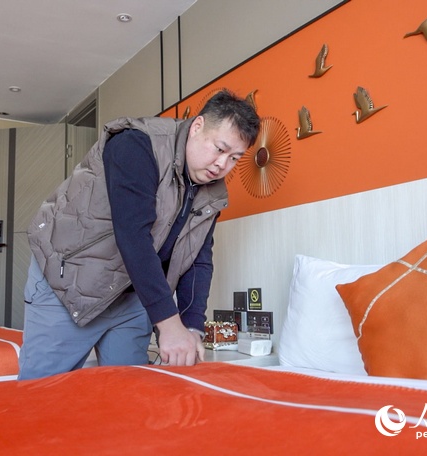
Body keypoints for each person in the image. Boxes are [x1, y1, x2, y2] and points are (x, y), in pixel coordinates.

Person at [18, 89, 260, 380]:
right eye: (220, 149)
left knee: (130, 392)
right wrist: (169, 324)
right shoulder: (137, 144)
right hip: (70, 283)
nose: (223, 165)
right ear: (197, 126)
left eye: (234, 158)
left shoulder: (212, 192)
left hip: (133, 296)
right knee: (42, 391)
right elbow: (133, 236)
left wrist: (192, 325)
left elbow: (198, 260)